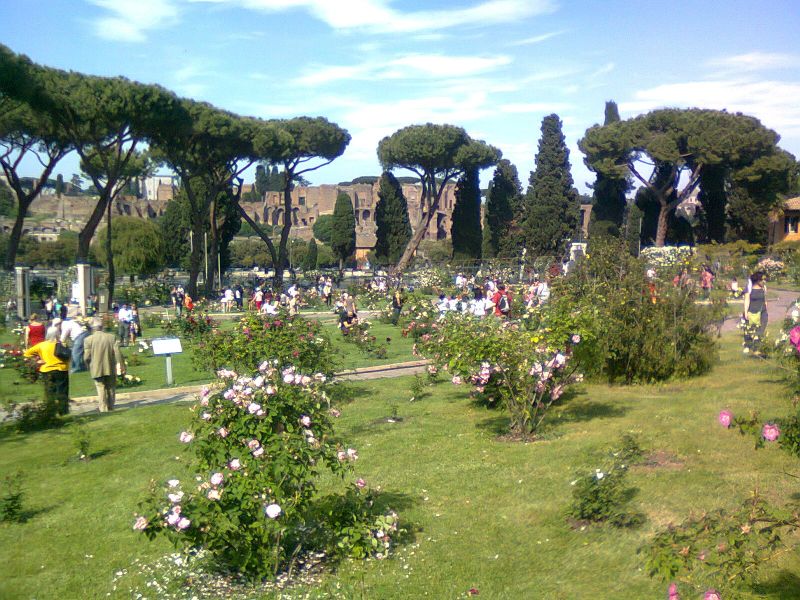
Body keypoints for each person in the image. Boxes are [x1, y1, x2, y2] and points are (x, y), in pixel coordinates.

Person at [24, 327, 70, 415]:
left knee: (49, 392)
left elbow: (27, 353)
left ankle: (50, 411)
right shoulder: (62, 344)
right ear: (57, 334)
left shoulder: (41, 345)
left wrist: (37, 360)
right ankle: (63, 411)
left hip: (46, 370)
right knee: (62, 391)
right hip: (61, 369)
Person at [84, 318, 125, 412]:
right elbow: (117, 352)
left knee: (100, 387)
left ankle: (103, 408)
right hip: (109, 365)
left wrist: (87, 364)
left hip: (96, 367)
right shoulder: (111, 337)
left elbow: (86, 357)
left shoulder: (88, 340)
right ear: (101, 327)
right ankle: (111, 406)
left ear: (92, 328)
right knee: (111, 387)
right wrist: (121, 364)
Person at [742, 272, 768, 354]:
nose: (764, 281)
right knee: (749, 330)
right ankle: (747, 346)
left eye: (764, 279)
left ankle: (757, 348)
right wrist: (745, 312)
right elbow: (746, 300)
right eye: (762, 280)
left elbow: (765, 299)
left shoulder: (764, 288)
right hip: (751, 312)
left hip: (762, 312)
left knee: (761, 329)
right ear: (757, 280)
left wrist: (765, 306)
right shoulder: (749, 288)